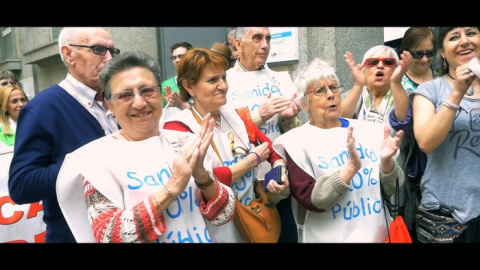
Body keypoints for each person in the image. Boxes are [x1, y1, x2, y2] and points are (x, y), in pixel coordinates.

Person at [56, 50, 235, 243]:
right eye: (125, 95)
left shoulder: (184, 142)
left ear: (160, 94)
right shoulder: (96, 160)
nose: (140, 103)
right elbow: (109, 235)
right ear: (109, 105)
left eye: (147, 91)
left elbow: (223, 215)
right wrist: (172, 187)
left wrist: (201, 175)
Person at [162, 47, 289, 243]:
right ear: (189, 86)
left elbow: (272, 153)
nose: (223, 85)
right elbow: (205, 180)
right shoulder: (177, 127)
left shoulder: (237, 116)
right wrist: (252, 160)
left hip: (250, 218)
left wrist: (277, 176)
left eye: (224, 78)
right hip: (213, 229)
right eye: (213, 80)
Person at [273, 58, 405, 242]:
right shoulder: (295, 142)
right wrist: (350, 169)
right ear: (305, 104)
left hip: (377, 236)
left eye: (334, 87)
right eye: (320, 90)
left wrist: (387, 163)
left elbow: (394, 188)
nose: (330, 94)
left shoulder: (370, 131)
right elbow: (312, 200)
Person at [8, 27, 120, 243]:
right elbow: (21, 185)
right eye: (98, 49)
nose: (109, 58)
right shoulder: (41, 109)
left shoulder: (120, 99)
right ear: (69, 54)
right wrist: (90, 162)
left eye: (112, 51)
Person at [226, 26, 300, 242]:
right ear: (238, 44)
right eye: (257, 38)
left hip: (277, 169)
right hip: (244, 179)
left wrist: (288, 117)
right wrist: (259, 116)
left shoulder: (280, 79)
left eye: (268, 38)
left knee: (284, 232)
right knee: (255, 234)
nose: (265, 45)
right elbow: (224, 134)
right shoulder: (226, 82)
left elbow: (293, 133)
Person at [412, 27, 480, 243]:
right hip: (446, 217)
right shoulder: (429, 91)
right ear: (441, 51)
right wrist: (457, 93)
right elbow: (425, 142)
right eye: (453, 37)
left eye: (471, 33)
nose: (464, 41)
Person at [388, 27, 438, 242]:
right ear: (405, 53)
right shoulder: (398, 81)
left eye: (430, 52)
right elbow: (401, 123)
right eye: (418, 54)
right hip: (410, 159)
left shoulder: (441, 77)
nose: (425, 59)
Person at [161, 41, 193, 109]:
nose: (176, 60)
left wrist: (181, 105)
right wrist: (169, 106)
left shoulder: (201, 81)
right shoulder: (166, 85)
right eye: (174, 58)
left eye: (180, 56)